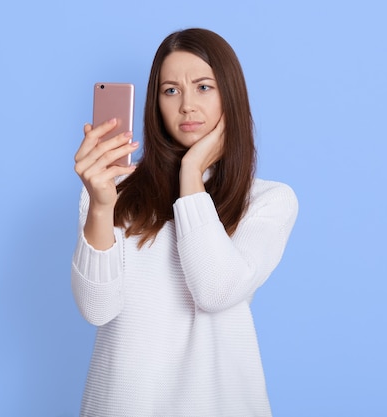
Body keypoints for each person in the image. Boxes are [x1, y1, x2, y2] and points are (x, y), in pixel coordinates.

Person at [72, 28, 298, 417]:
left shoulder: (268, 200)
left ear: (231, 95)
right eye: (171, 90)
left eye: (204, 87)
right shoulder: (112, 189)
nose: (187, 106)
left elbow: (214, 290)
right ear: (155, 103)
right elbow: (97, 308)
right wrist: (99, 206)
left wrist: (191, 174)